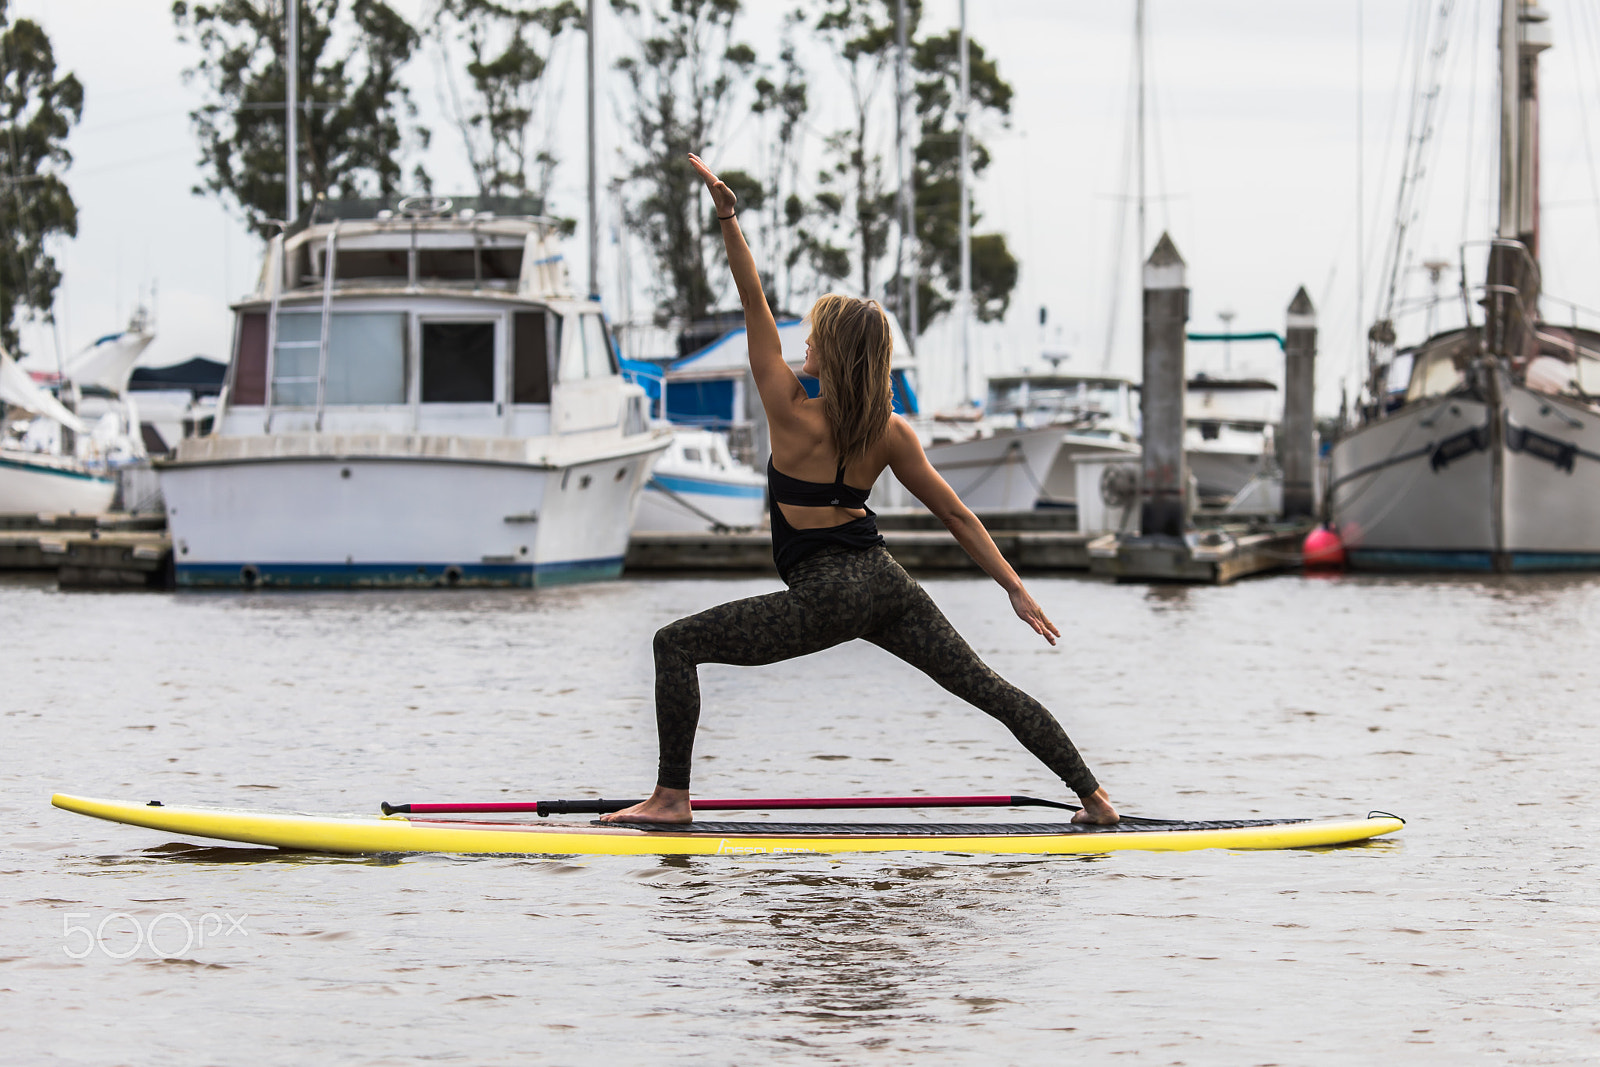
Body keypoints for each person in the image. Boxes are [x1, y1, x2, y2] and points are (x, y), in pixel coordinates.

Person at [601, 153, 1117, 826]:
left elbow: (749, 295)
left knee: (675, 643)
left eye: (815, 336)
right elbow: (956, 515)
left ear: (834, 353)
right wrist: (1013, 586)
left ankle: (671, 798)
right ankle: (1096, 798)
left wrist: (728, 216)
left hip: (826, 591)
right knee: (986, 687)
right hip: (884, 583)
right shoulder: (890, 431)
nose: (805, 343)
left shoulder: (786, 405)